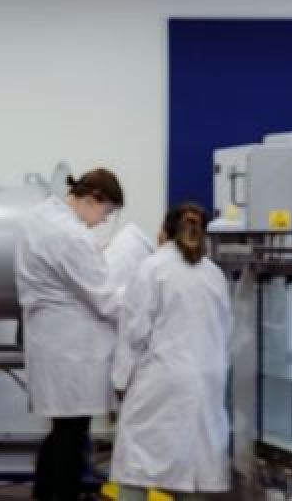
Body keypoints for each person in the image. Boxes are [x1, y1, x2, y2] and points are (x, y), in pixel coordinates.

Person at [14, 168, 126, 500]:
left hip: (52, 341)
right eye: (105, 213)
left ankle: (46, 495)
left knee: (62, 432)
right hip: (71, 350)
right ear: (93, 199)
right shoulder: (71, 236)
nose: (102, 222)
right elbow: (104, 299)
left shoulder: (37, 217)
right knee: (71, 435)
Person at [111, 204, 232, 501]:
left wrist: (120, 381)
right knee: (195, 470)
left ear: (163, 232)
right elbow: (225, 332)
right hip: (207, 381)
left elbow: (134, 333)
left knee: (136, 465)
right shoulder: (215, 275)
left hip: (161, 380)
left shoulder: (152, 268)